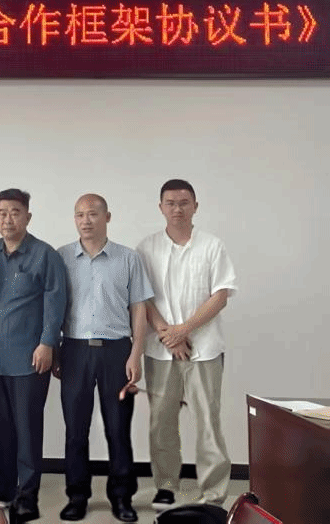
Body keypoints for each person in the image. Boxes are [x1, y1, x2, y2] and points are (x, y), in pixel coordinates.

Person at [137, 179, 237, 510]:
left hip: (204, 350)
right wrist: (167, 333)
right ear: (161, 207)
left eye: (184, 202)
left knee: (208, 422)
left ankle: (213, 493)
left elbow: (220, 295)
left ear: (195, 206)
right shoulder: (146, 248)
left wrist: (184, 330)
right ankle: (166, 486)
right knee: (161, 423)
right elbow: (143, 297)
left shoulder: (212, 245)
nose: (177, 208)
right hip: (160, 349)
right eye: (170, 203)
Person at [55, 194, 153, 523]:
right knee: (75, 429)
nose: (86, 220)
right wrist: (55, 350)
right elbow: (54, 308)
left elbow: (138, 309)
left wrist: (136, 353)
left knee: (118, 428)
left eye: (93, 214)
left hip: (116, 352)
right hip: (74, 350)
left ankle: (122, 497)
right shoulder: (62, 257)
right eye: (79, 214)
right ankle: (77, 496)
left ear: (107, 217)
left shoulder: (128, 258)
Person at [0, 188, 66, 524]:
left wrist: (47, 344)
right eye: (1, 213)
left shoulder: (45, 255)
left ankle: (27, 496)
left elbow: (56, 303)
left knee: (27, 429)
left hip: (30, 358)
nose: (7, 219)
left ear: (28, 216)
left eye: (15, 212)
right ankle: (3, 487)